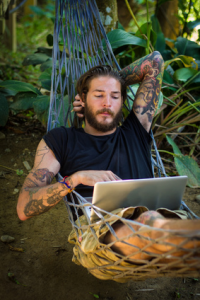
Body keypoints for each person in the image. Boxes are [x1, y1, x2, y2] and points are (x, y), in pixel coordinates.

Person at [17, 51, 200, 281]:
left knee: (155, 220)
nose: (107, 103)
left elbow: (155, 62)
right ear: (81, 99)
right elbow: (24, 207)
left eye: (115, 96)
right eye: (99, 94)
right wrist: (75, 179)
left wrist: (114, 79)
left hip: (165, 220)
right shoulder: (61, 140)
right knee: (150, 221)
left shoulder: (137, 129)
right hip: (104, 237)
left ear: (123, 100)